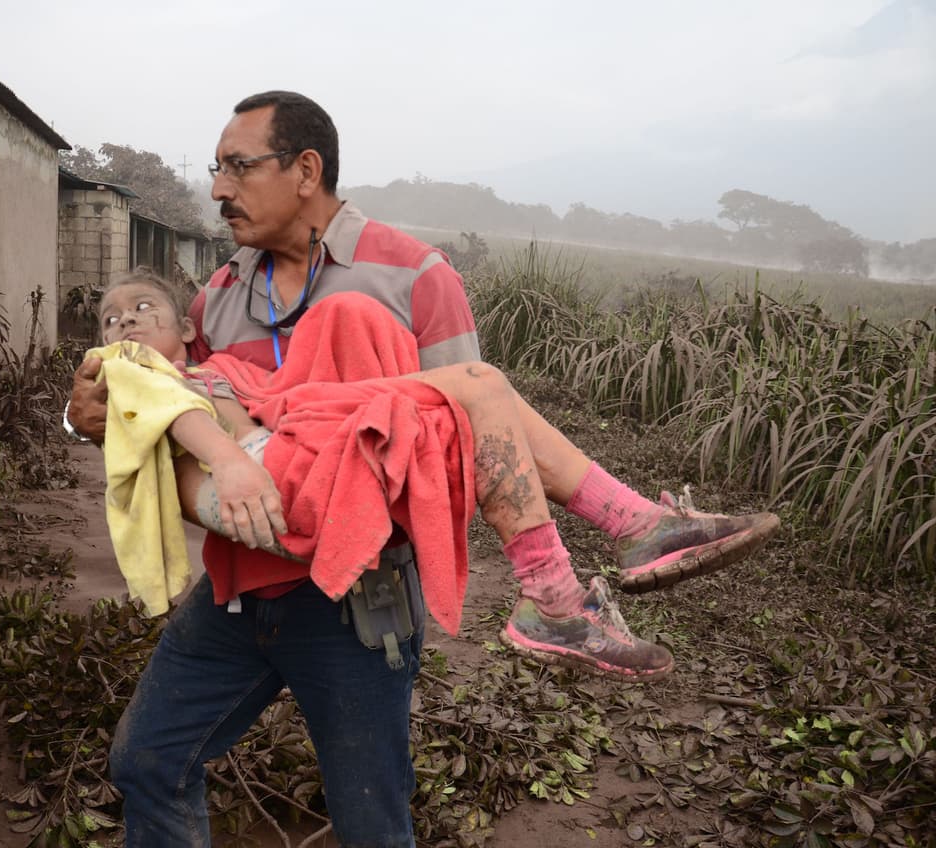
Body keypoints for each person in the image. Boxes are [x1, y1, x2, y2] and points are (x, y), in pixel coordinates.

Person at [66, 92, 778, 847]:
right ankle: (625, 537)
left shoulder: (412, 275)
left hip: (358, 605)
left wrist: (339, 474)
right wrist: (86, 419)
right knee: (147, 760)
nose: (217, 188)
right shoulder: (216, 295)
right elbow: (177, 412)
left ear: (306, 170)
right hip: (238, 589)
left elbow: (475, 453)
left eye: (239, 167)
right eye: (217, 169)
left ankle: (617, 546)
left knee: (371, 820)